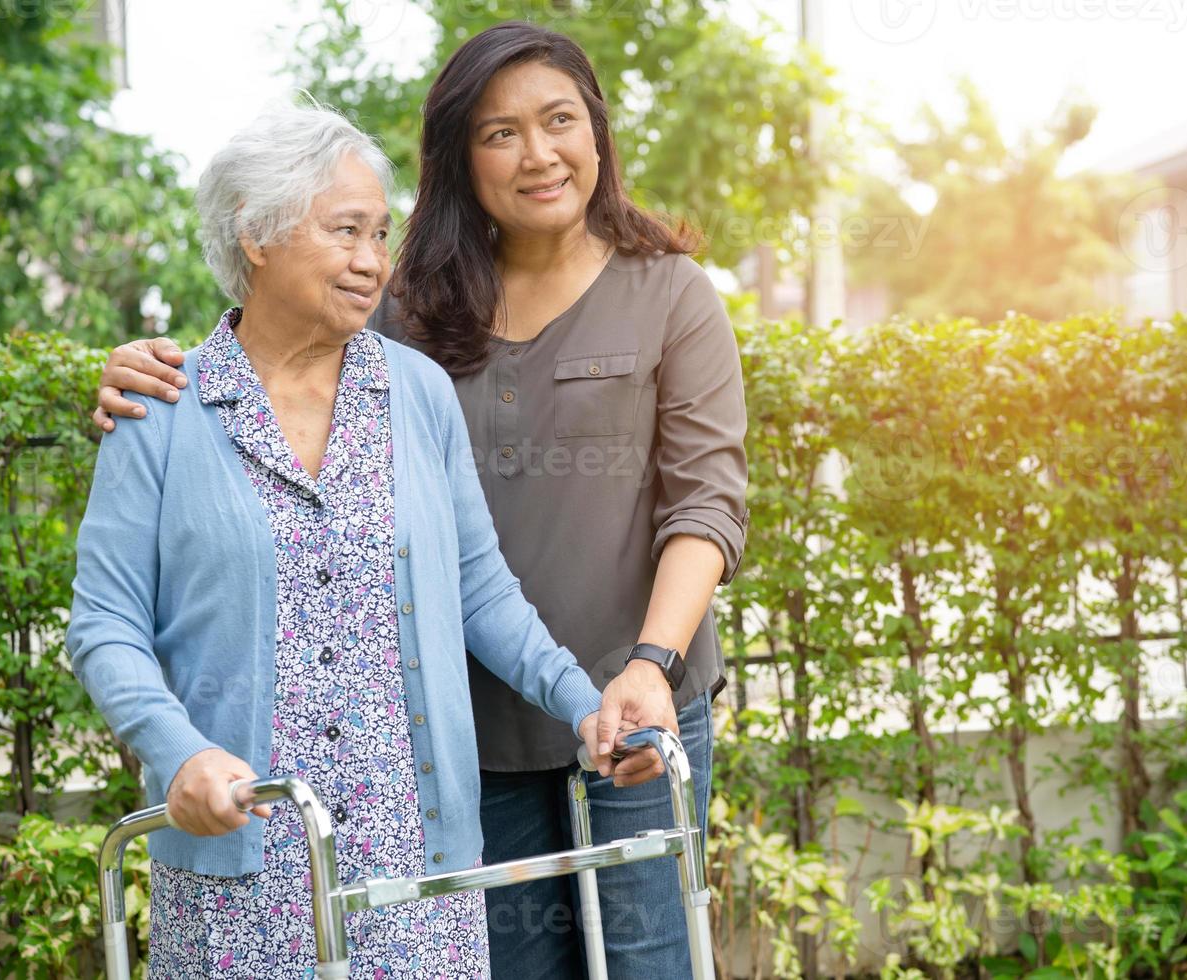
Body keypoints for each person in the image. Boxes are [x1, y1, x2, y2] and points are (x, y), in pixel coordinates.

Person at [91, 21, 749, 980]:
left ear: (598, 134)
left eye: (560, 120)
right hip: (416, 765)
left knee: (648, 959)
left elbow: (694, 508)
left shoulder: (650, 301)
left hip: (602, 720)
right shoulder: (398, 313)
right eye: (499, 133)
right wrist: (145, 377)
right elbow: (274, 330)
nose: (368, 258)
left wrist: (629, 677)